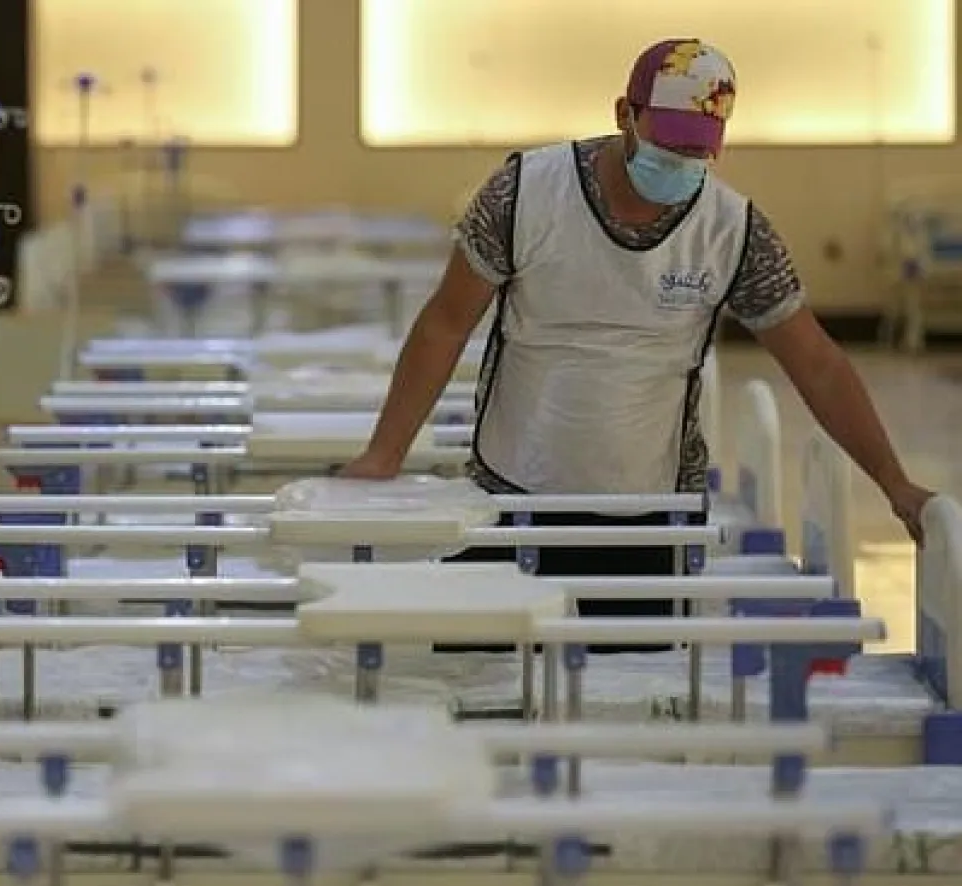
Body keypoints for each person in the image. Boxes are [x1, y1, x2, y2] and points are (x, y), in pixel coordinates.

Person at [342, 38, 933, 652]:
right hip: (513, 495)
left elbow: (818, 364)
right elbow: (445, 322)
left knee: (629, 692)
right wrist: (384, 455)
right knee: (488, 684)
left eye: (697, 151)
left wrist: (895, 483)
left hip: (649, 513)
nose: (680, 162)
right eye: (668, 144)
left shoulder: (732, 231)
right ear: (624, 113)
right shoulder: (525, 194)